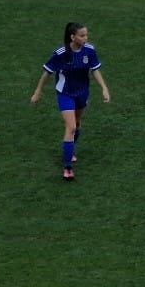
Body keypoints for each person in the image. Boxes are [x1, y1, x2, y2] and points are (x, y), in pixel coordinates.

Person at [30, 21, 111, 181]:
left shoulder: (89, 51)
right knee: (71, 127)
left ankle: (70, 149)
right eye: (82, 35)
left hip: (82, 92)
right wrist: (38, 91)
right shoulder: (60, 54)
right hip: (65, 93)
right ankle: (67, 167)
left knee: (78, 123)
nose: (85, 38)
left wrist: (104, 88)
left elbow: (95, 70)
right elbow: (47, 73)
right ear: (72, 37)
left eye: (86, 35)